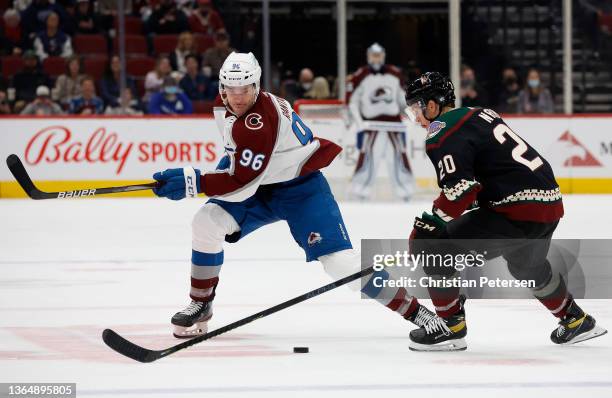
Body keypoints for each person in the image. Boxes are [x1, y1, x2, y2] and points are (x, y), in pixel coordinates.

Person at [151, 52, 442, 339]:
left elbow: (242, 181)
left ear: (257, 86)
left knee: (340, 264)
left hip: (301, 189)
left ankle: (418, 313)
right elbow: (236, 159)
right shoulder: (222, 106)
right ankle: (201, 302)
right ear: (221, 88)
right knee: (206, 223)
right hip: (260, 185)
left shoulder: (260, 122)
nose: (237, 97)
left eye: (245, 89)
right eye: (230, 89)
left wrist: (194, 181)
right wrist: (203, 180)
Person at [404, 72, 607, 351]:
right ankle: (575, 320)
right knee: (526, 264)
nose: (417, 118)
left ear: (432, 105)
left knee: (430, 246)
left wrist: (432, 222)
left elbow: (460, 189)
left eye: (417, 108)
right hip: (549, 205)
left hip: (514, 211)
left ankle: (450, 327)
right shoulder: (482, 113)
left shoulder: (440, 131)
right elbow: (493, 170)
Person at [346, 43, 414, 201]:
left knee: (398, 157)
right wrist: (358, 122)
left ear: (383, 56)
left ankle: (405, 191)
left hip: (394, 125)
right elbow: (353, 102)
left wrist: (412, 116)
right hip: (371, 125)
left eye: (379, 55)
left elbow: (403, 100)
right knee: (368, 157)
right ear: (368, 56)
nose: (376, 59)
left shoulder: (395, 74)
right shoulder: (360, 75)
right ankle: (360, 191)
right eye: (373, 55)